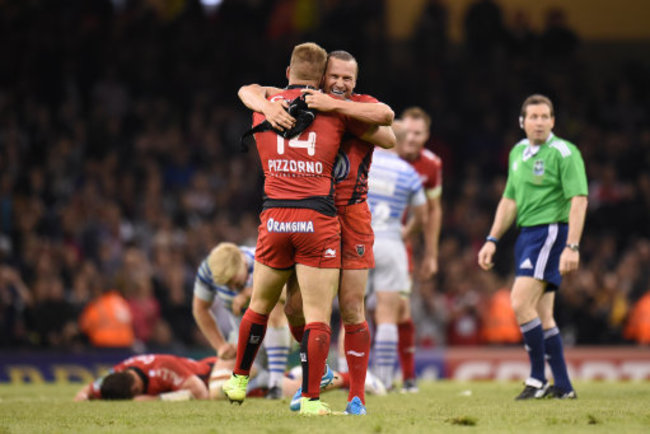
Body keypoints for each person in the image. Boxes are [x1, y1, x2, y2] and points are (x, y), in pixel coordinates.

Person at [222, 42, 394, 416]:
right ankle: (315, 380)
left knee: (351, 307)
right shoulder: (296, 103)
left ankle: (357, 398)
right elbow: (248, 90)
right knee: (298, 307)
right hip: (317, 215)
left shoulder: (347, 106)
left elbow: (389, 131)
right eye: (334, 77)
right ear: (321, 76)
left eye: (348, 79)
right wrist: (268, 104)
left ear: (355, 81)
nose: (341, 83)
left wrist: (336, 107)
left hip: (350, 215)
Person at [478, 94, 588, 400]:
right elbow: (509, 199)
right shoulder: (517, 153)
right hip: (527, 235)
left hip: (550, 232)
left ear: (553, 121)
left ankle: (538, 378)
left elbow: (579, 199)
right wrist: (491, 239)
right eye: (533, 117)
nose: (539, 122)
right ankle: (563, 386)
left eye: (545, 117)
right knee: (543, 313)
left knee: (519, 301)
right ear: (522, 122)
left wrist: (572, 246)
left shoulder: (565, 153)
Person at [366, 124, 428, 391]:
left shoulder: (364, 162)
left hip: (361, 241)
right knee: (388, 314)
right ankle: (383, 380)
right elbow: (422, 215)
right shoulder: (408, 172)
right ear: (402, 144)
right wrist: (406, 231)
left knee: (352, 311)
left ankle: (347, 376)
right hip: (392, 242)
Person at [192, 242, 291, 399]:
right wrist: (220, 345)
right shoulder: (207, 271)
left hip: (282, 333)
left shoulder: (263, 258)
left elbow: (291, 294)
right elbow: (200, 308)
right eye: (226, 285)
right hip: (243, 340)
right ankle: (264, 379)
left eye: (234, 281)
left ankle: (276, 383)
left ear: (243, 263)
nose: (232, 288)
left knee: (273, 304)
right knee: (217, 392)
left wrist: (251, 293)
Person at [395, 107, 443, 392]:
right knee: (357, 307)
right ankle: (355, 372)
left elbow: (433, 211)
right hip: (366, 238)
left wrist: (432, 254)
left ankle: (409, 377)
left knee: (401, 309)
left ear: (426, 135)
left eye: (418, 133)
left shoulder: (431, 165)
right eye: (408, 132)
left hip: (402, 245)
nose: (412, 139)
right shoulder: (382, 153)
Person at [74, 353, 217, 401]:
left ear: (136, 389)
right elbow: (90, 389)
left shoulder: (163, 369)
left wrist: (156, 400)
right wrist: (83, 396)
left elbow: (201, 394)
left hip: (215, 372)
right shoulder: (121, 371)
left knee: (219, 393)